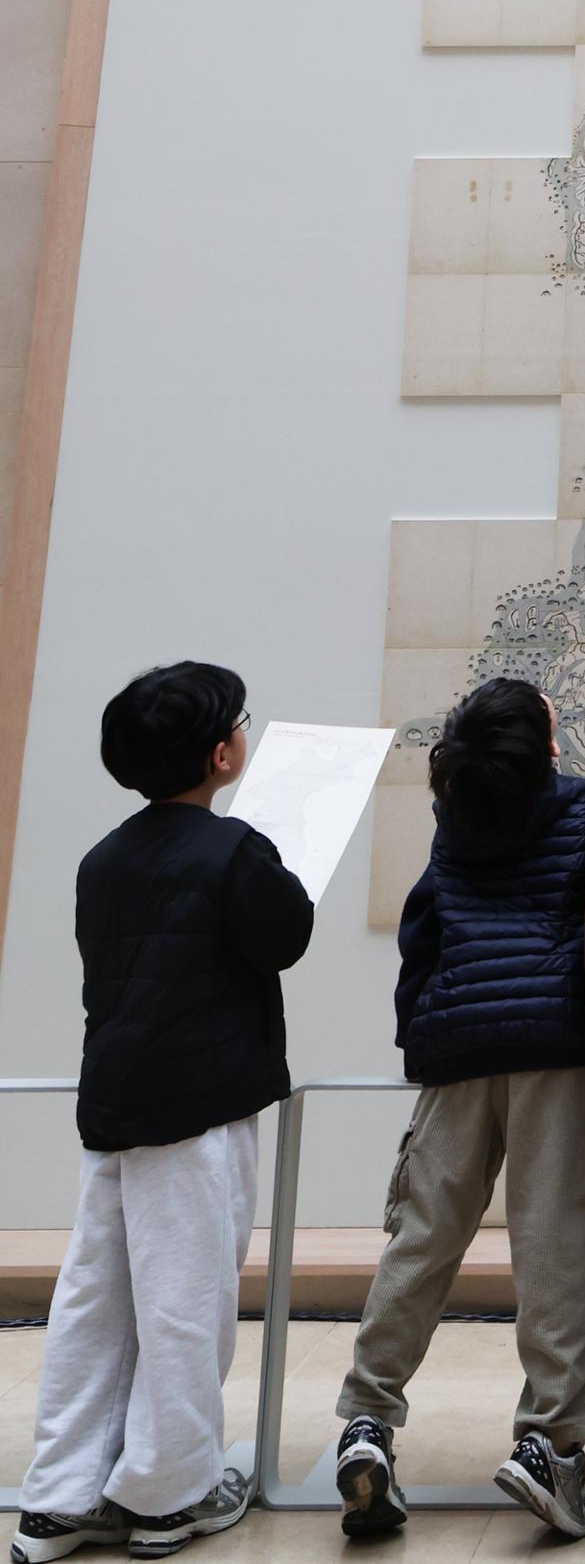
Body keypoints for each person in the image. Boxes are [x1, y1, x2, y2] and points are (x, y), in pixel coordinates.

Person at [10, 663, 313, 1564]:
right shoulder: (235, 850)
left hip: (113, 1102)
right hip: (198, 1115)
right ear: (223, 754)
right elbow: (284, 935)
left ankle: (60, 1497)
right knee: (185, 1307)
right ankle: (167, 1496)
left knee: (94, 1304)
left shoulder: (103, 857)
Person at [333, 677, 585, 1544]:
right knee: (550, 1249)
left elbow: (422, 932)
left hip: (458, 1050)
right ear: (545, 749)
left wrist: (422, 1033)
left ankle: (368, 1422)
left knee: (422, 1237)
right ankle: (550, 1448)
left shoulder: (453, 819)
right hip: (553, 1056)